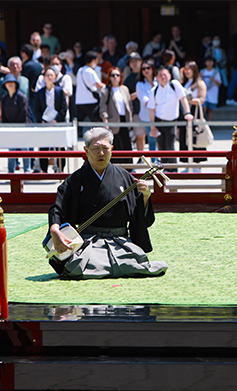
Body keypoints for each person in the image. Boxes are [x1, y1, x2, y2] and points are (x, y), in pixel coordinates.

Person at [47, 127, 168, 279]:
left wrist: (145, 197)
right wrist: (54, 229)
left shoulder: (125, 177)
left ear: (112, 149)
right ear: (86, 150)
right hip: (89, 241)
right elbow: (58, 207)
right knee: (77, 267)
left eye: (105, 148)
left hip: (121, 241)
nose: (101, 153)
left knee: (133, 262)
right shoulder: (75, 180)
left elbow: (140, 217)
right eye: (96, 148)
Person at [148, 66, 194, 171]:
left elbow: (183, 99)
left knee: (170, 145)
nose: (163, 77)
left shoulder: (175, 85)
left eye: (165, 75)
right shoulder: (154, 90)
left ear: (169, 76)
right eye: (160, 75)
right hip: (159, 121)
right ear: (157, 77)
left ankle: (173, 169)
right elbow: (151, 110)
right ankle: (165, 168)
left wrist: (188, 112)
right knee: (161, 146)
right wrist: (152, 127)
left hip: (172, 121)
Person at [35, 67, 68, 173]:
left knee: (60, 146)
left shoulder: (59, 91)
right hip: (45, 123)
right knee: (44, 147)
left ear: (55, 78)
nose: (49, 77)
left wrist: (56, 120)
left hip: (57, 123)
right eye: (47, 75)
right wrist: (43, 120)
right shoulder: (40, 92)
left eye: (51, 75)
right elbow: (37, 109)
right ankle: (44, 170)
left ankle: (60, 168)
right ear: (44, 78)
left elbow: (64, 107)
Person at [100, 67, 133, 166]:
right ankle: (115, 168)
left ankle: (129, 168)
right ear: (109, 77)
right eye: (113, 75)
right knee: (115, 146)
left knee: (127, 145)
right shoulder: (106, 90)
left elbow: (129, 105)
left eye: (117, 75)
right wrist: (105, 122)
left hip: (124, 120)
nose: (115, 77)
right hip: (112, 121)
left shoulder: (124, 89)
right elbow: (102, 107)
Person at [178, 61, 208, 169]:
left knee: (195, 137)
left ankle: (197, 163)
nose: (186, 72)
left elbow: (202, 99)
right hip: (184, 113)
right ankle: (187, 163)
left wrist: (188, 101)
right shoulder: (184, 82)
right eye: (185, 69)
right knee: (184, 138)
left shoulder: (200, 83)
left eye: (189, 69)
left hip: (194, 112)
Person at [0, 73, 32, 173]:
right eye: (7, 82)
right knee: (11, 150)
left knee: (24, 148)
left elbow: (23, 112)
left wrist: (16, 124)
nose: (10, 84)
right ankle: (10, 171)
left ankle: (27, 170)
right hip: (10, 129)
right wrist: (7, 125)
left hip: (22, 127)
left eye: (12, 82)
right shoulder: (4, 98)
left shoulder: (21, 97)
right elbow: (4, 113)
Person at [75, 51, 106, 134]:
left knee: (76, 124)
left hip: (79, 101)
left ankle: (72, 143)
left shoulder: (80, 70)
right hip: (91, 101)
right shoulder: (90, 71)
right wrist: (108, 88)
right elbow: (98, 84)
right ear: (93, 60)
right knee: (97, 124)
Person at [122, 52, 145, 149]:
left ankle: (155, 159)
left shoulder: (146, 73)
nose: (134, 63)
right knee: (139, 135)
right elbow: (126, 96)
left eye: (136, 60)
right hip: (136, 110)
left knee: (153, 136)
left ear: (141, 61)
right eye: (132, 61)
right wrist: (137, 94)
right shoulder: (128, 79)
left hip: (150, 109)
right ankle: (142, 156)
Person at [136, 60, 157, 156]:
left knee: (162, 141)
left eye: (148, 68)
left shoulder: (159, 81)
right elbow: (146, 101)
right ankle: (154, 164)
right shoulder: (140, 84)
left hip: (162, 116)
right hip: (147, 117)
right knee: (152, 140)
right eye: (143, 69)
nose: (146, 70)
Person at [201, 56, 222, 120]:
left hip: (212, 93)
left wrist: (213, 79)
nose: (209, 63)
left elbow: (219, 83)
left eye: (211, 61)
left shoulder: (216, 72)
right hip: (203, 93)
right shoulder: (202, 71)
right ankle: (201, 122)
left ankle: (209, 124)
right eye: (208, 61)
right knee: (203, 108)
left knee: (210, 110)